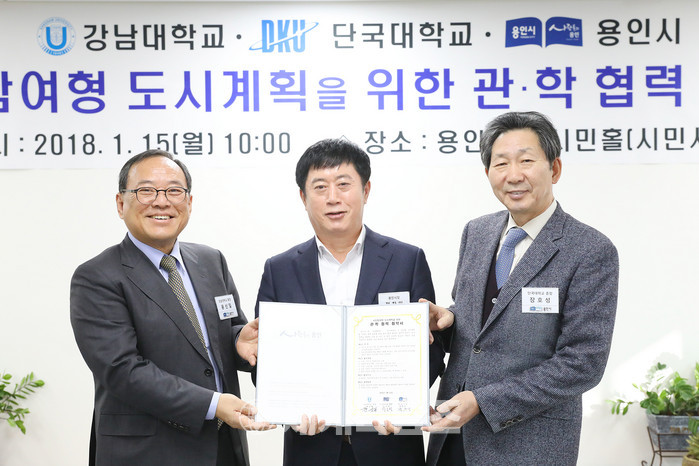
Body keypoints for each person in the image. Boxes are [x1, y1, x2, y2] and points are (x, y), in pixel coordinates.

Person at [423, 111, 619, 466]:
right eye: (501, 163)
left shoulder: (589, 250)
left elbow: (582, 362)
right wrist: (447, 320)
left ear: (555, 169)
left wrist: (484, 401)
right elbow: (479, 328)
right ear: (488, 173)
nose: (513, 175)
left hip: (528, 445)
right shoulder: (476, 232)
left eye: (526, 161)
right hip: (453, 436)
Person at [70, 149, 274, 466]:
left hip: (223, 447)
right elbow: (122, 371)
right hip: (148, 453)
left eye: (174, 191)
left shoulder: (211, 261)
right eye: (146, 191)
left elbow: (225, 332)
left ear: (189, 202)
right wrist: (213, 404)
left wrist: (238, 342)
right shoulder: (97, 277)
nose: (161, 202)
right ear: (121, 204)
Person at [255, 138, 445, 466]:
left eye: (344, 184)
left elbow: (433, 345)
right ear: (303, 197)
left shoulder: (407, 260)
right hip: (310, 449)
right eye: (320, 187)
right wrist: (289, 408)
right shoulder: (280, 269)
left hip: (391, 446)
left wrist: (403, 405)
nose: (333, 198)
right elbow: (264, 356)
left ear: (366, 190)